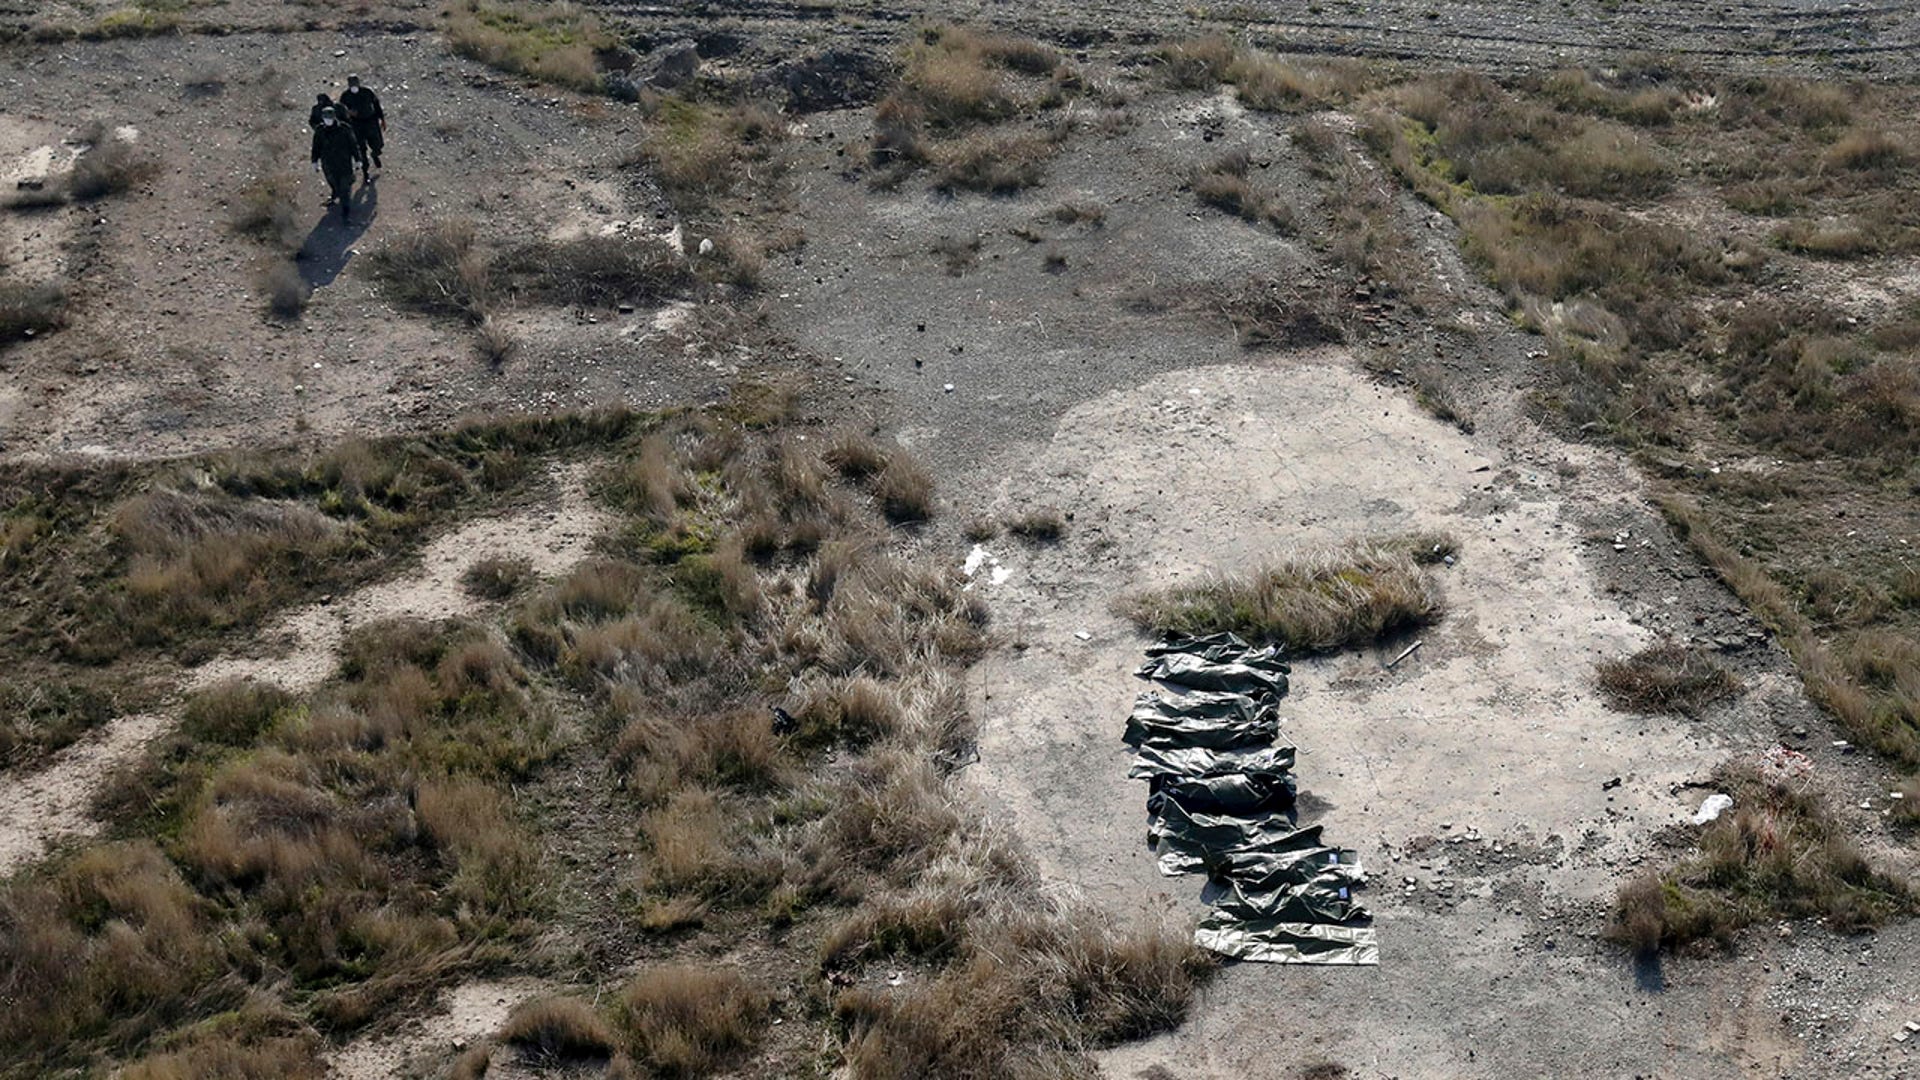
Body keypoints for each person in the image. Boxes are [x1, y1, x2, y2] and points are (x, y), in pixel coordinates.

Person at [310, 106, 359, 222]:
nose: (328, 120)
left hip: (343, 163)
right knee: (333, 183)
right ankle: (335, 193)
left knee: (344, 188)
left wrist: (358, 159)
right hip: (328, 164)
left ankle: (345, 213)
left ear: (334, 117)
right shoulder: (320, 130)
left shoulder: (344, 128)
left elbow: (353, 145)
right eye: (325, 118)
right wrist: (314, 161)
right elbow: (316, 147)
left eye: (330, 118)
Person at [338, 74, 385, 181]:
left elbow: (376, 104)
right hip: (356, 125)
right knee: (361, 150)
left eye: (355, 83)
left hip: (371, 122)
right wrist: (348, 113)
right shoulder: (345, 96)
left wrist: (382, 119)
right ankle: (366, 173)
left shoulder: (367, 92)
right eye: (351, 84)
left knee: (378, 145)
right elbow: (341, 111)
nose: (354, 86)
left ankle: (375, 154)